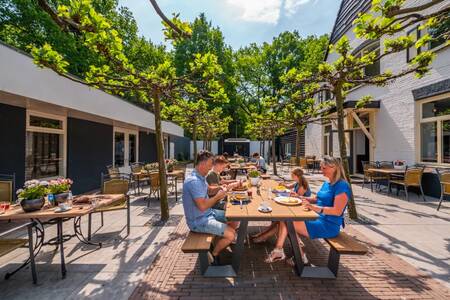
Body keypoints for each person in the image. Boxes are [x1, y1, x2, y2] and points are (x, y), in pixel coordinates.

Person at [264, 156, 351, 265]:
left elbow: (337, 211)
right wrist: (300, 197)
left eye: (324, 168)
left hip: (328, 225)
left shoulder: (342, 186)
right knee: (286, 219)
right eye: (321, 167)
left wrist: (314, 208)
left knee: (287, 221)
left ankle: (293, 255)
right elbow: (316, 199)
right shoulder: (327, 183)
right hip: (316, 218)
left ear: (334, 168)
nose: (321, 170)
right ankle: (285, 252)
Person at [182, 150, 237, 264]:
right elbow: (202, 206)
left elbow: (210, 189)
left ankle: (220, 240)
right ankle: (214, 255)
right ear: (202, 164)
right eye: (210, 164)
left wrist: (223, 188)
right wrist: (218, 197)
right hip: (198, 221)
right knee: (232, 235)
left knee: (234, 218)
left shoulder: (200, 177)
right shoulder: (194, 181)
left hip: (208, 213)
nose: (211, 167)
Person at [251, 167, 312, 243]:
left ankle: (264, 236)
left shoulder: (302, 185)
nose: (291, 176)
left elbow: (298, 198)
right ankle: (262, 234)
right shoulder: (297, 182)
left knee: (282, 220)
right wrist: (283, 185)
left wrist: (290, 194)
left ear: (297, 175)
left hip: (301, 209)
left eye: (292, 175)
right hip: (295, 206)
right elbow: (289, 186)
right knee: (278, 220)